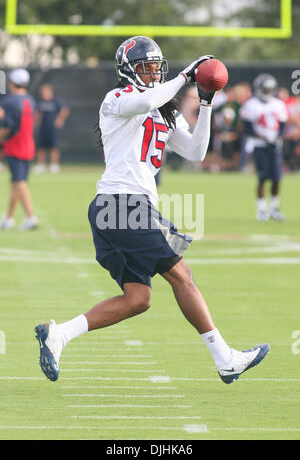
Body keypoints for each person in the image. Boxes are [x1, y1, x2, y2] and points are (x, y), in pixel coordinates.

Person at [35, 36, 269, 385]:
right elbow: (146, 101)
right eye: (145, 67)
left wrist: (206, 104)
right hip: (121, 204)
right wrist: (186, 76)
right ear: (128, 71)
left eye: (157, 68)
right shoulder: (118, 99)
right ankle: (225, 358)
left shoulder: (162, 109)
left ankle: (59, 335)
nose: (153, 74)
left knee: (138, 299)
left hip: (122, 209)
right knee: (182, 275)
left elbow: (196, 152)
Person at [240, 73, 288, 221]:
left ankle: (274, 208)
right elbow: (247, 128)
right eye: (265, 90)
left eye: (269, 90)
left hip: (274, 146)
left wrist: (277, 138)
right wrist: (262, 137)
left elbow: (283, 125)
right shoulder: (251, 104)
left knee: (276, 179)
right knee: (262, 178)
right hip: (259, 145)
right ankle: (262, 210)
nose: (267, 93)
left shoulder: (278, 104)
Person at [0, 68, 38, 231]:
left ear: (12, 83)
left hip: (15, 146)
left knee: (19, 183)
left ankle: (30, 217)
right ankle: (8, 218)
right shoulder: (31, 100)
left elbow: (7, 126)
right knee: (16, 183)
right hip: (28, 145)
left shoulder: (9, 102)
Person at [34, 83, 69, 174]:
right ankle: (41, 165)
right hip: (43, 128)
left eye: (45, 91)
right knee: (41, 146)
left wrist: (60, 119)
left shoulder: (56, 101)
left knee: (54, 146)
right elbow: (37, 112)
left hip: (53, 128)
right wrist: (37, 121)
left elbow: (64, 110)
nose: (43, 93)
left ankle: (54, 165)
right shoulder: (40, 101)